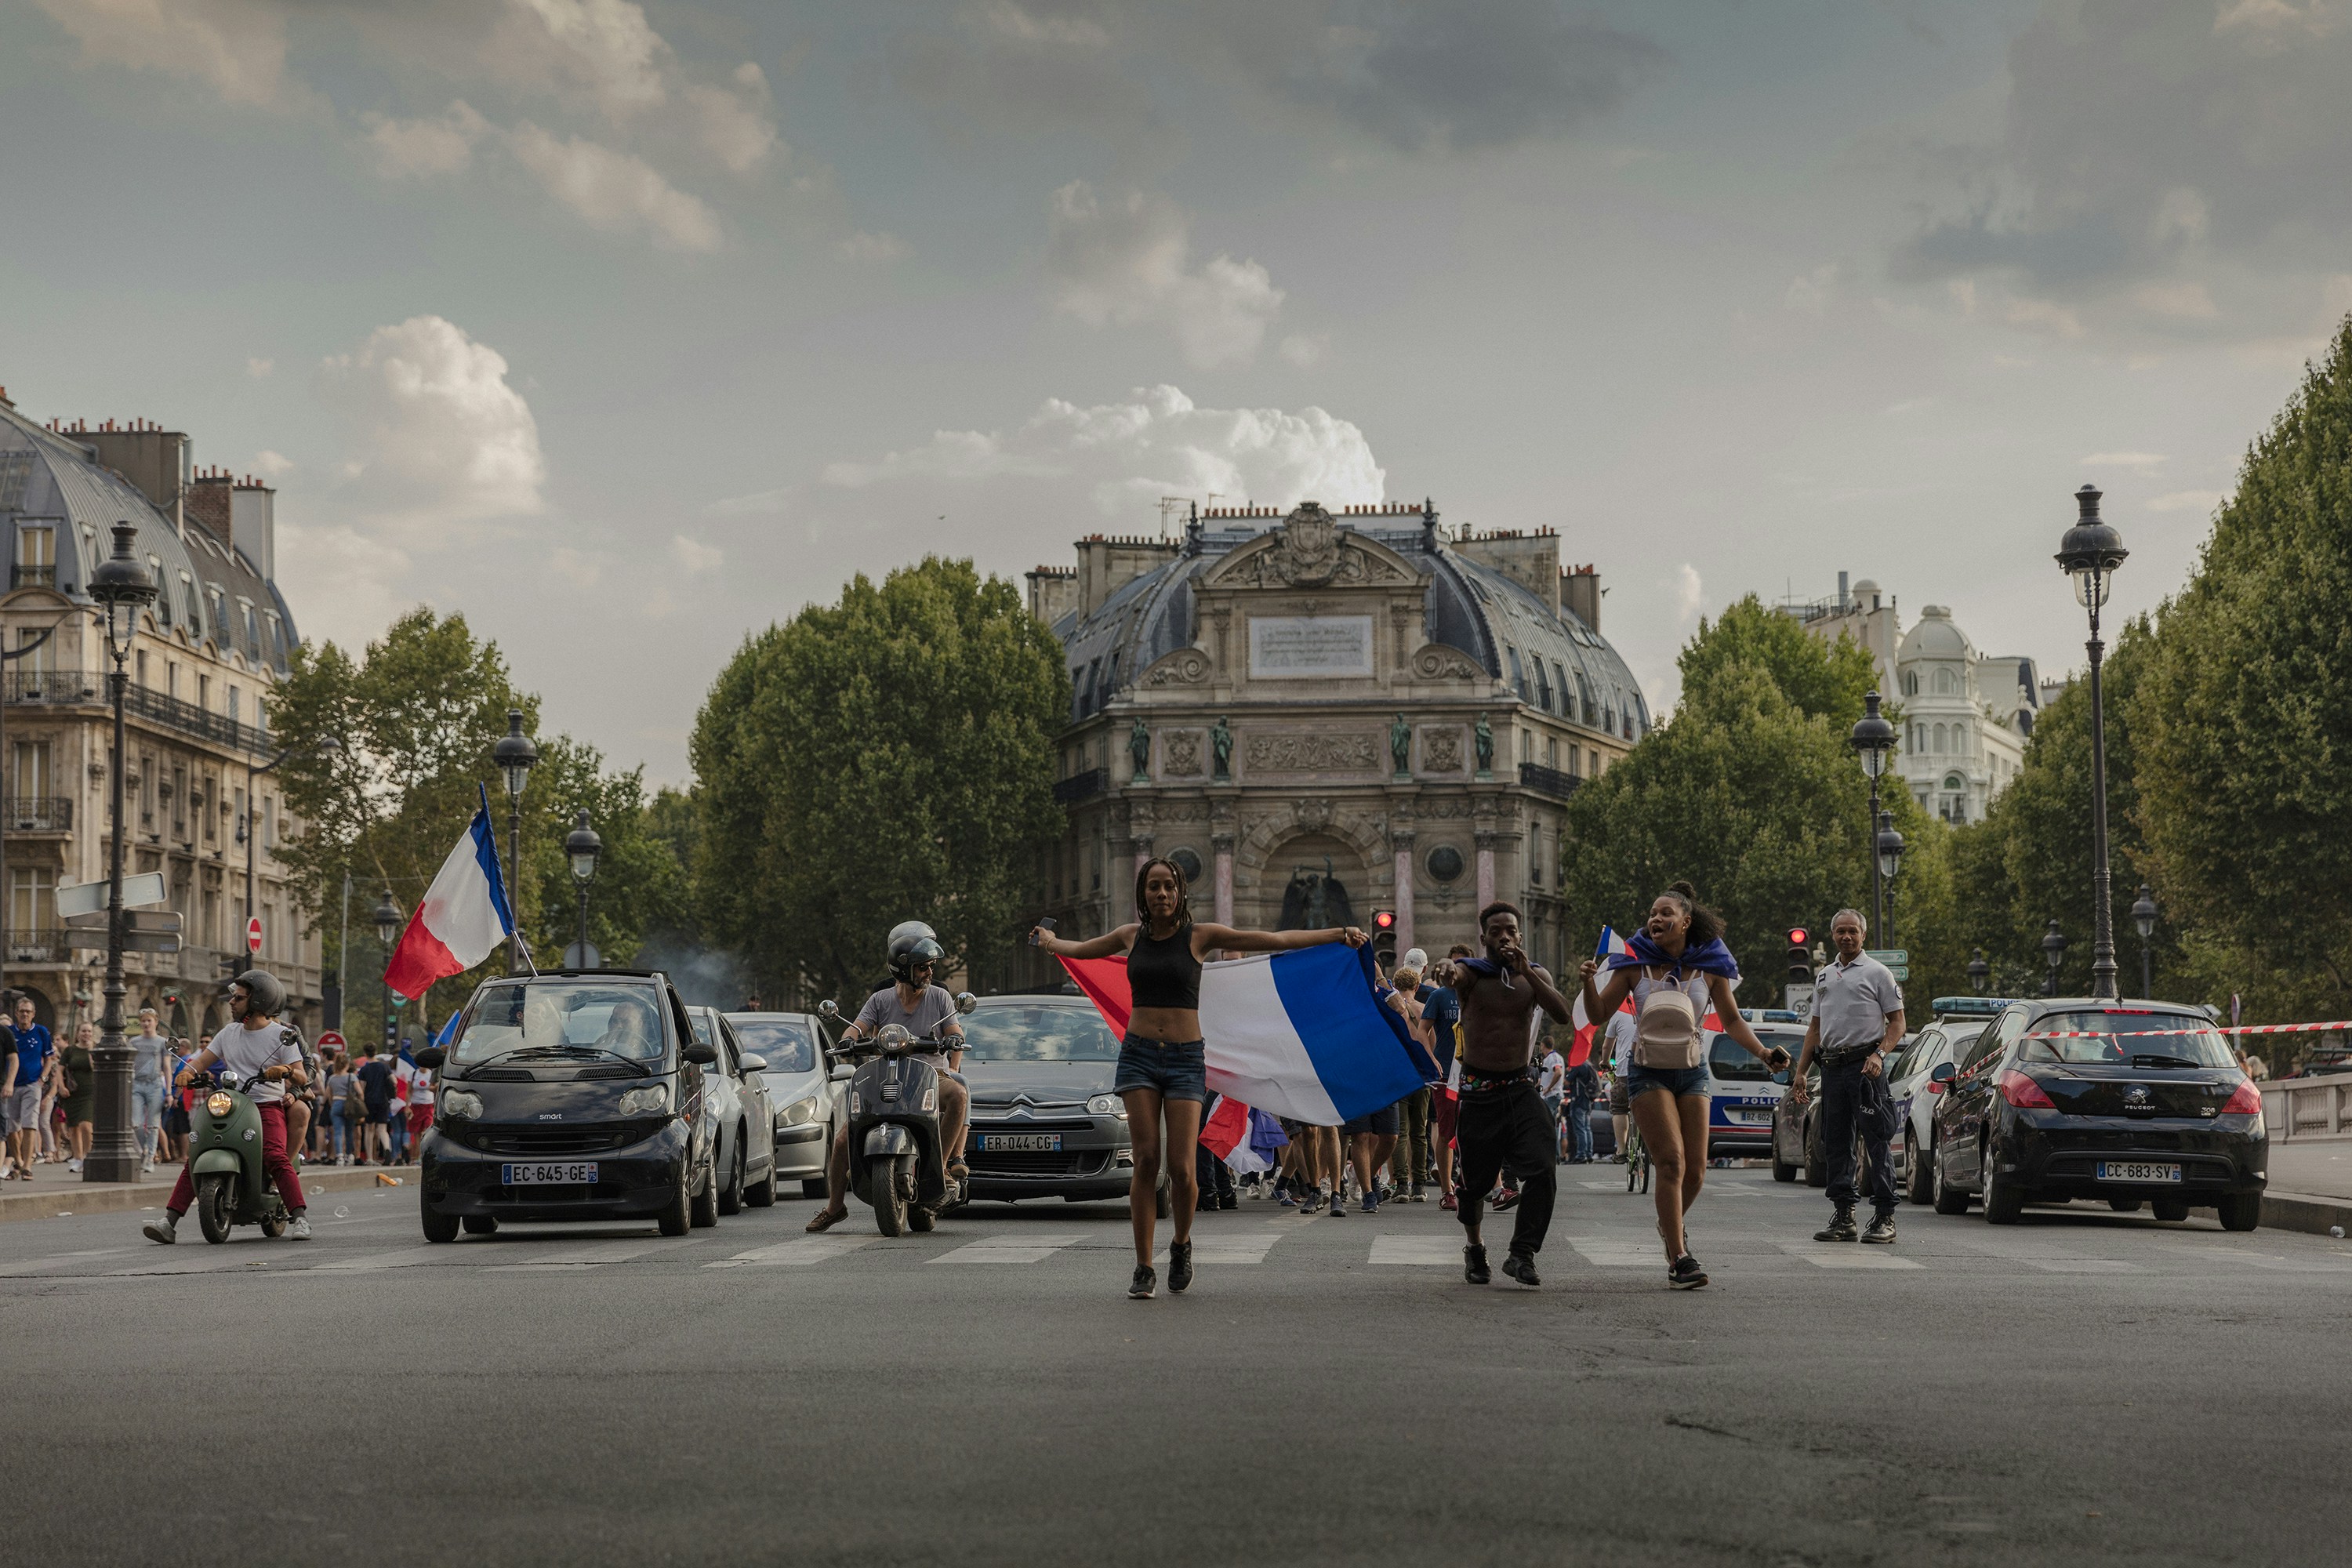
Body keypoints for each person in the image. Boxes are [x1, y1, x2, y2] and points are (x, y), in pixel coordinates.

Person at [1031, 857, 1368, 1298]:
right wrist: (1051, 940)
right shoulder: (1130, 937)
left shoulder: (1200, 936)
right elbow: (1079, 949)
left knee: (1183, 1168)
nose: (1162, 894)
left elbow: (1275, 938)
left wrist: (1337, 935)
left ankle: (1181, 1243)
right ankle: (1143, 1265)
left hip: (1187, 1059)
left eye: (1169, 886)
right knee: (1146, 1160)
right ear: (1143, 895)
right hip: (1138, 1058)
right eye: (1154, 887)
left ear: (1181, 892)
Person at [1580, 882, 1791, 1290]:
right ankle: (1679, 1257)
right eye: (1653, 914)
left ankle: (1668, 1226)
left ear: (1686, 922)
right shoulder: (1632, 963)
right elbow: (1597, 1013)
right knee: (1672, 1162)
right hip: (1646, 1071)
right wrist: (1589, 982)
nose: (1655, 920)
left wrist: (1763, 1053)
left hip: (1692, 1071)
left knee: (1696, 1171)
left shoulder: (1711, 966)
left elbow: (1731, 1021)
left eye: (1665, 914)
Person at [804, 922, 971, 1235]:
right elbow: (857, 1026)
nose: (929, 972)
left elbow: (955, 1031)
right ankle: (834, 1207)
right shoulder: (881, 999)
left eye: (931, 966)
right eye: (923, 967)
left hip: (930, 1073)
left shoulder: (940, 998)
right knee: (843, 1139)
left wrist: (953, 1040)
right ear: (903, 970)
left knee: (959, 1094)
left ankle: (942, 1170)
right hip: (884, 1074)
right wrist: (848, 1039)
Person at [1450, 903, 1575, 1287]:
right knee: (1475, 1185)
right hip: (1478, 1092)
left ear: (1520, 936)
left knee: (1542, 1169)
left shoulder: (1534, 974)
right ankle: (1475, 1248)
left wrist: (1528, 975)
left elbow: (1562, 1014)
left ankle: (1522, 1254)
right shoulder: (1471, 975)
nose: (1505, 937)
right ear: (1484, 938)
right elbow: (1451, 972)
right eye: (1496, 931)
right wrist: (1445, 969)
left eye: (1511, 931)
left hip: (1520, 1088)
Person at [140, 971, 313, 1243]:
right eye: (233, 997)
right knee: (197, 1154)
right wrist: (186, 1074)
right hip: (232, 1104)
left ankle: (300, 1218)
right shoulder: (229, 1032)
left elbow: (302, 1075)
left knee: (275, 1155)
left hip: (266, 1105)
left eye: (239, 998)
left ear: (259, 1002)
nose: (232, 1002)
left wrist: (284, 1070)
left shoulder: (282, 1035)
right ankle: (169, 1222)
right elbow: (200, 1062)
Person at [1786, 909, 1906, 1245]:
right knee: (1836, 1143)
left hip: (1866, 1070)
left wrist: (1879, 1055)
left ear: (1863, 935)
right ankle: (1844, 1216)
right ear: (1833, 934)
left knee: (1876, 1141)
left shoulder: (1878, 973)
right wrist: (1801, 1072)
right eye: (1840, 931)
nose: (1846, 937)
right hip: (1833, 1070)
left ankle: (1885, 1217)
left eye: (1852, 931)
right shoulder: (1824, 976)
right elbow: (1815, 1028)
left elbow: (1897, 1022)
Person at [1422, 946, 1469, 1209]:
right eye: (1453, 965)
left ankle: (1475, 1183)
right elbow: (1422, 1030)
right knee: (1446, 1131)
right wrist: (1431, 1058)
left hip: (1472, 1071)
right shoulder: (1439, 996)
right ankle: (1446, 1190)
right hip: (1445, 1074)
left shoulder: (1475, 994)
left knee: (1475, 1130)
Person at [5, 996, 53, 1181]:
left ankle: (27, 1165)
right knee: (11, 1126)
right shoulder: (9, 1032)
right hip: (11, 1085)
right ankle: (17, 1160)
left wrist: (43, 1078)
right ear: (16, 1013)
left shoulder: (41, 1032)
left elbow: (49, 1057)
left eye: (28, 1011)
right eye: (22, 1011)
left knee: (29, 1124)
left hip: (32, 1084)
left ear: (33, 1014)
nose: (25, 1014)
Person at [131, 1007, 170, 1173]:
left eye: (149, 1020)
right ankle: (143, 1150)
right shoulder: (134, 1042)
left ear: (156, 1022)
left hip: (154, 1084)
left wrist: (168, 1092)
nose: (146, 1023)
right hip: (137, 1085)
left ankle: (150, 1158)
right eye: (144, 1021)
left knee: (154, 1125)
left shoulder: (162, 1042)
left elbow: (167, 1067)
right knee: (136, 1123)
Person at [1604, 1004, 1637, 1160]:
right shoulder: (1654, 1006)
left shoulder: (1618, 1013)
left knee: (1619, 1108)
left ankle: (1622, 1150)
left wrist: (1606, 1062)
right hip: (1651, 1070)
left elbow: (1607, 1046)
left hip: (1625, 1071)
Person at [356, 1046, 396, 1164]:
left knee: (369, 1129)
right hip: (383, 1100)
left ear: (365, 1053)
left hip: (369, 1101)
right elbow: (394, 1081)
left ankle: (369, 1158)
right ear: (376, 1052)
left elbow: (362, 1087)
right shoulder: (384, 1067)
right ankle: (387, 1150)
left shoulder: (364, 1069)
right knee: (383, 1129)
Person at [1564, 1049, 1599, 1163]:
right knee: (1587, 1128)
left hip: (1578, 1101)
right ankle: (1589, 1153)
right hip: (1588, 1101)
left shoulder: (1578, 1066)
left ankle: (1581, 1154)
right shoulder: (1589, 1066)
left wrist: (1568, 1071)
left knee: (1580, 1129)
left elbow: (1567, 1081)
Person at [1536, 1033, 1566, 1163]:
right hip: (1550, 1095)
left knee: (1548, 1125)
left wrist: (1548, 1088)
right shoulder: (1552, 1058)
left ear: (1543, 1045)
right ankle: (1554, 1155)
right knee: (1549, 1124)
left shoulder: (1553, 1058)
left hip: (1551, 1096)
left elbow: (1558, 1072)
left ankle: (1551, 1156)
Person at [326, 1053, 358, 1165]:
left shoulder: (332, 1078)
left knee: (338, 1132)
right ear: (347, 1064)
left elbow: (328, 1095)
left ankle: (339, 1156)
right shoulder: (352, 1077)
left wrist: (333, 1104)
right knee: (350, 1132)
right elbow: (360, 1092)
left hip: (336, 1103)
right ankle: (349, 1155)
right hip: (349, 1105)